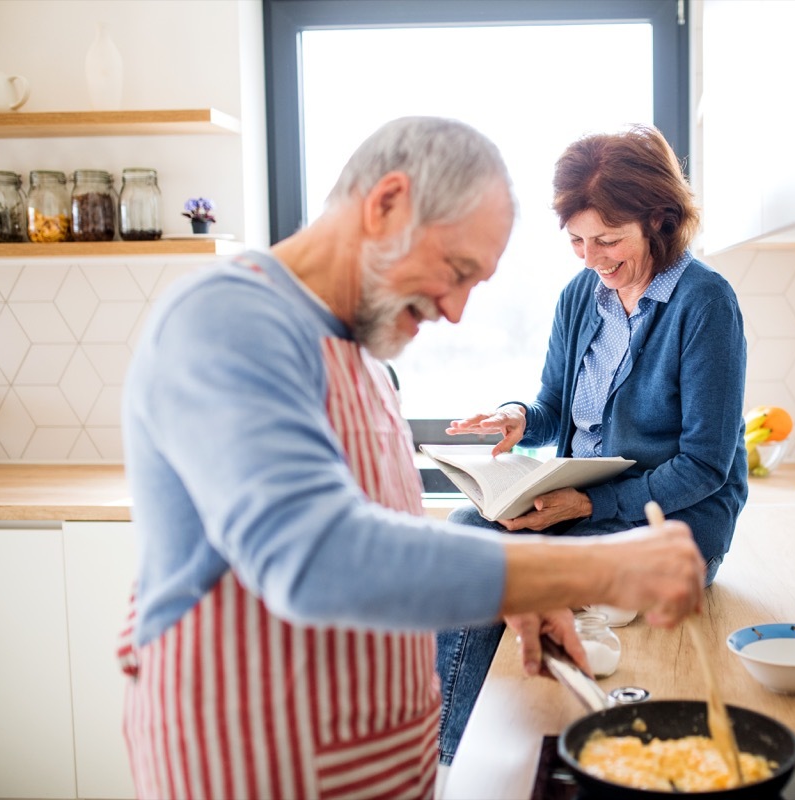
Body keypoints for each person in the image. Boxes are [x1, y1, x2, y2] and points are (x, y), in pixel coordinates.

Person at [117, 116, 706, 800]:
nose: (455, 311)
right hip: (260, 769)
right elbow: (319, 555)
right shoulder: (228, 321)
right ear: (387, 202)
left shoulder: (358, 354)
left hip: (365, 769)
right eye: (457, 271)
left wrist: (517, 590)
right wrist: (592, 567)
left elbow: (377, 536)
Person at [437, 124, 748, 765]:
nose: (592, 258)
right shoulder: (582, 295)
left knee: (494, 559)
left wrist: (584, 505)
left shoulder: (706, 303)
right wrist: (519, 417)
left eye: (609, 240)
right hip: (583, 502)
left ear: (659, 221)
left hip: (675, 519)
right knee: (468, 527)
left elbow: (705, 465)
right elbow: (557, 406)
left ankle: (453, 759)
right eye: (577, 241)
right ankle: (452, 756)